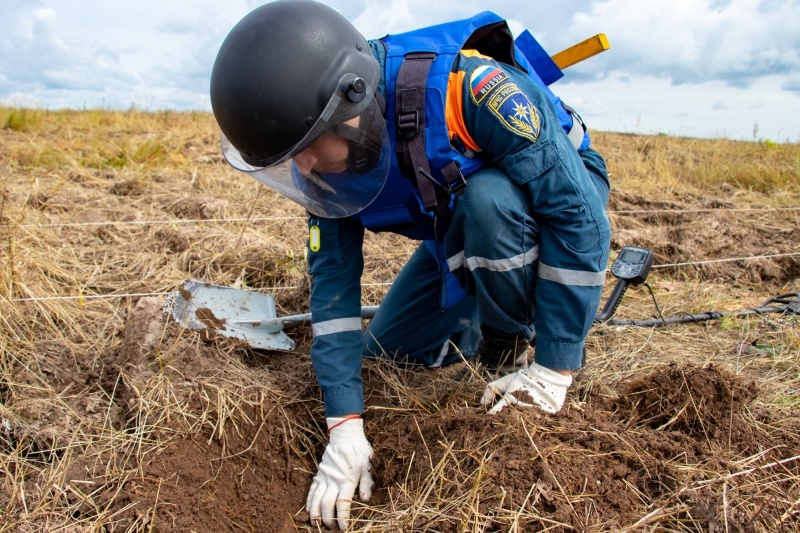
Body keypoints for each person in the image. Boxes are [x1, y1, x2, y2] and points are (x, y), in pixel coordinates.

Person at [210, 0, 611, 529]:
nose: (302, 167)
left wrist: (556, 368)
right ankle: (481, 306)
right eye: (289, 158)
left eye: (306, 148)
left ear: (351, 99)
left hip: (547, 197)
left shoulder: (470, 92)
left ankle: (511, 341)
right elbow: (332, 288)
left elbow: (579, 218)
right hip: (454, 222)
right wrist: (344, 425)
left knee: (488, 201)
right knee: (389, 352)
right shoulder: (321, 158)